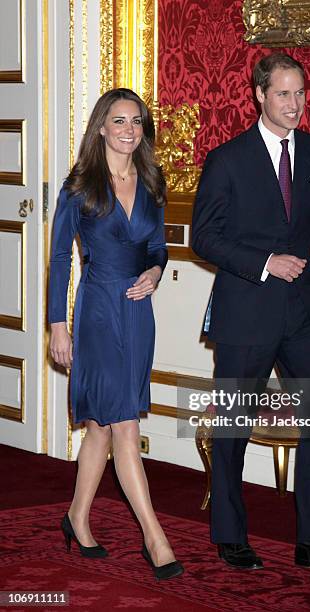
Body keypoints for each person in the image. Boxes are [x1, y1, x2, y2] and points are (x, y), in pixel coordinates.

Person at [192, 53, 310, 576]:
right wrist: (264, 263)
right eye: (284, 94)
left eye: (300, 93)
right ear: (260, 96)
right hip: (246, 310)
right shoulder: (227, 159)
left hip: (307, 313)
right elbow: (202, 237)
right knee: (234, 426)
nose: (296, 104)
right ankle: (230, 536)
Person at [49, 88, 183, 580]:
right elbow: (61, 258)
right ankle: (155, 537)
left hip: (138, 313)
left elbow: (156, 245)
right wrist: (57, 325)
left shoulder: (150, 180)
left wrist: (153, 272)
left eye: (136, 122)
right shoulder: (80, 185)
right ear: (101, 127)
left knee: (101, 426)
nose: (129, 130)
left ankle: (76, 518)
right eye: (119, 120)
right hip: (99, 311)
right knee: (125, 422)